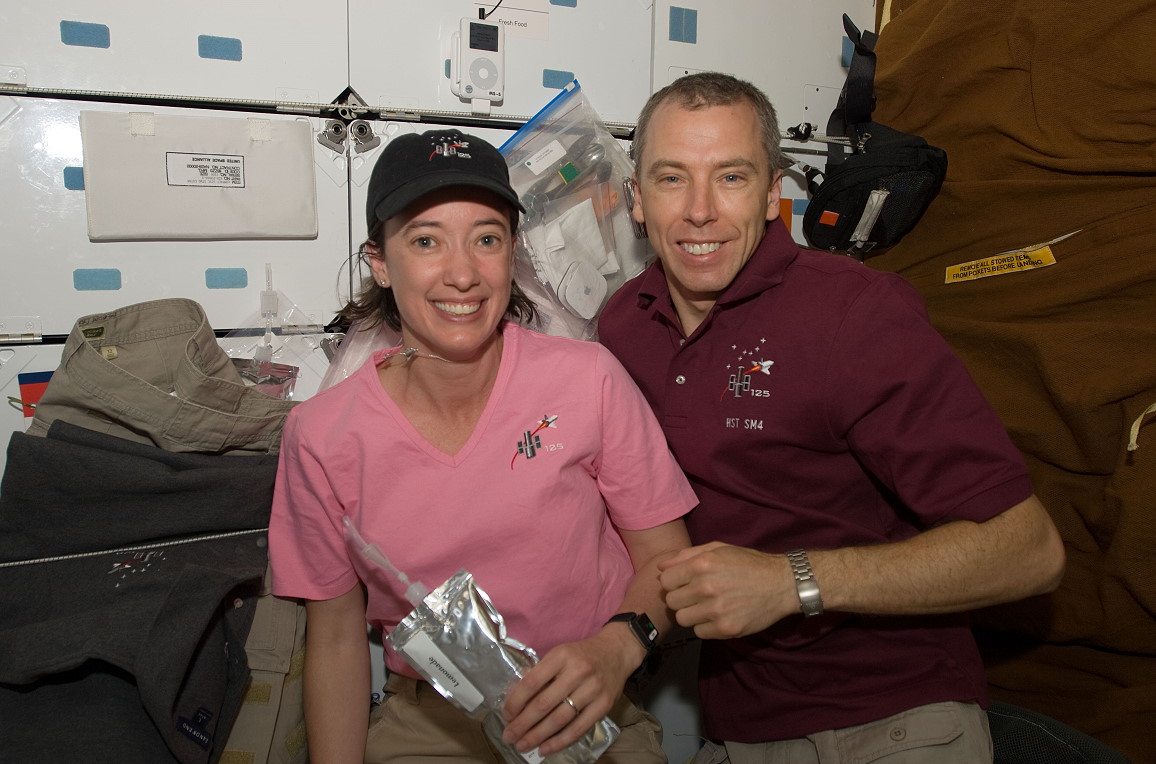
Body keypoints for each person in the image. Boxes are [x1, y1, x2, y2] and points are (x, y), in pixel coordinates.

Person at [597, 72, 1067, 763]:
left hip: (894, 716)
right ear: (637, 199)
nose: (700, 211)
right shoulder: (622, 329)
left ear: (772, 193)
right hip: (737, 726)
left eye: (731, 177)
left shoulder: (854, 313)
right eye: (672, 179)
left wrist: (791, 582)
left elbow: (1029, 551)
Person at [268, 128, 696, 763]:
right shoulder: (322, 436)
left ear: (512, 253)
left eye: (487, 239)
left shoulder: (589, 380)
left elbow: (667, 556)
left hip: (589, 710)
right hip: (432, 728)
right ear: (379, 262)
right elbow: (334, 640)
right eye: (426, 241)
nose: (463, 273)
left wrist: (617, 647)